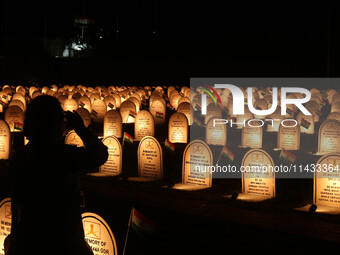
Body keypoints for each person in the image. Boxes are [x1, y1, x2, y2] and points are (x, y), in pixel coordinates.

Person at [6, 95, 108, 255]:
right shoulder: (63, 157)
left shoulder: (20, 157)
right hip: (63, 243)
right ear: (56, 124)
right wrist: (80, 128)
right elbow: (100, 155)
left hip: (29, 242)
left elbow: (16, 206)